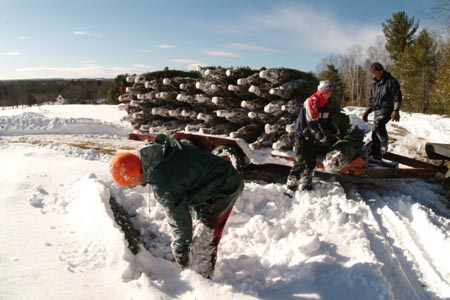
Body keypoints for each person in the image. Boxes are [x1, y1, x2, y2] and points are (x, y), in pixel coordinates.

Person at [109, 134, 244, 279]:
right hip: (208, 183)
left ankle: (203, 282)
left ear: (134, 175)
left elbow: (179, 219)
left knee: (202, 243)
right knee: (196, 230)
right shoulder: (156, 156)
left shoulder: (163, 182)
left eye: (130, 184)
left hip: (223, 188)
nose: (132, 188)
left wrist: (180, 249)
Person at [286, 80, 339, 194]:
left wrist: (334, 131)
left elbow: (328, 120)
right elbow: (312, 122)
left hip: (314, 135)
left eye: (330, 91)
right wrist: (321, 136)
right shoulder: (313, 100)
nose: (330, 94)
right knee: (300, 159)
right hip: (303, 133)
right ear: (322, 91)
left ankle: (306, 180)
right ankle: (292, 180)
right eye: (328, 91)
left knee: (311, 159)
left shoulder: (326, 103)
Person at [362, 62, 402, 160]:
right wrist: (367, 112)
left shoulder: (390, 81)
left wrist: (396, 110)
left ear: (382, 71)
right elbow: (372, 100)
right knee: (375, 133)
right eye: (374, 73)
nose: (376, 74)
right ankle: (377, 155)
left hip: (388, 109)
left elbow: (397, 95)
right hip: (377, 110)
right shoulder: (374, 85)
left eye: (377, 72)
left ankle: (384, 142)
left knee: (378, 124)